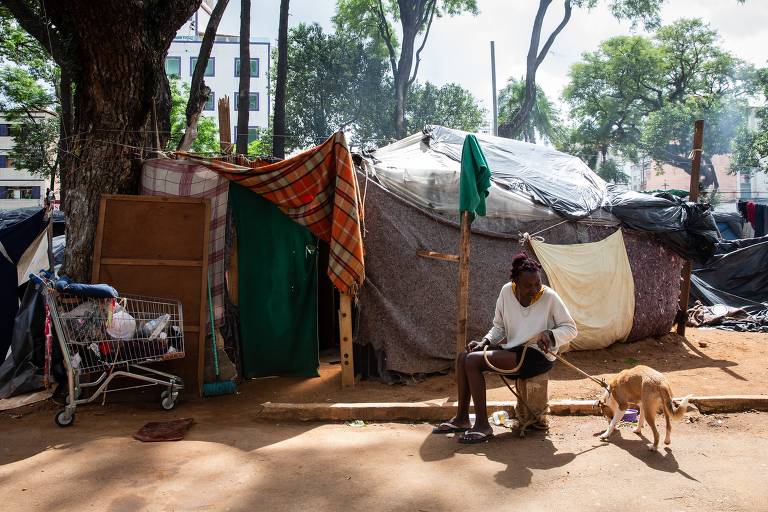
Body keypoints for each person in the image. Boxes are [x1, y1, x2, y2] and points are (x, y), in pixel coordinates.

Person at [433, 252, 577, 444]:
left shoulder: (549, 297)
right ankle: (462, 419)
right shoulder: (506, 292)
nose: (535, 289)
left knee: (473, 361)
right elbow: (499, 327)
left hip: (537, 355)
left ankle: (483, 426)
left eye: (538, 283)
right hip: (514, 351)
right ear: (516, 282)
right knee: (463, 357)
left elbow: (571, 329)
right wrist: (485, 341)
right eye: (528, 285)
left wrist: (550, 334)